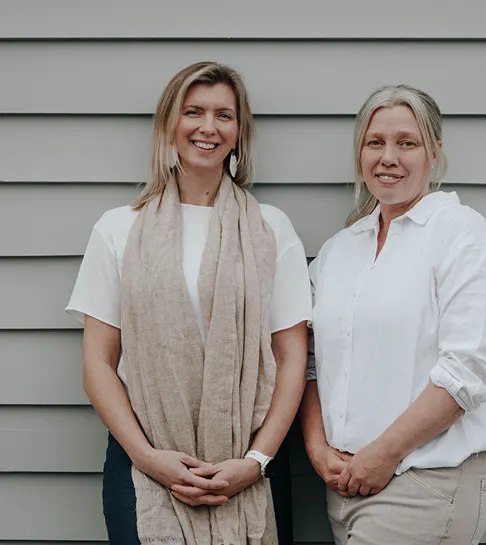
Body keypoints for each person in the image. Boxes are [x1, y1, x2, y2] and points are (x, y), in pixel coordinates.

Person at [65, 61, 312, 545]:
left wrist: (255, 462)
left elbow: (291, 358)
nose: (208, 127)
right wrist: (147, 457)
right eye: (193, 112)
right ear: (169, 125)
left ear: (239, 133)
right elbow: (98, 362)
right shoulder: (118, 229)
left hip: (248, 462)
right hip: (143, 461)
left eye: (224, 115)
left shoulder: (271, 228)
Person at [299, 84, 486, 544]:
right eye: (375, 142)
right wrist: (317, 446)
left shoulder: (458, 233)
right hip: (344, 484)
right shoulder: (340, 250)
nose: (388, 157)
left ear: (434, 153)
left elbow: (467, 369)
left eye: (407, 143)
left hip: (425, 478)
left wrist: (383, 454)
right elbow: (310, 361)